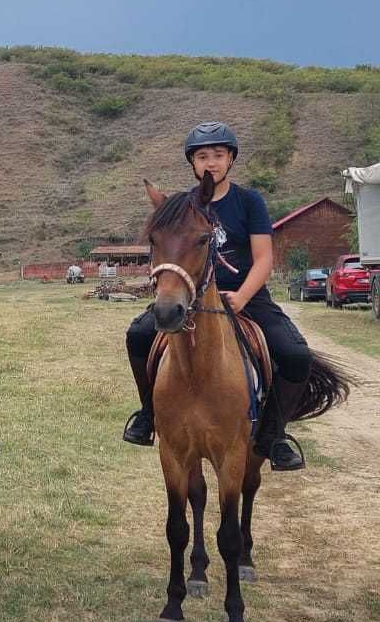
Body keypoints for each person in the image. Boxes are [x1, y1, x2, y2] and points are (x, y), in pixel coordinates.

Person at [122, 122, 311, 471]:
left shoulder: (249, 201)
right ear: (192, 164)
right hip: (190, 296)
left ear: (231, 160)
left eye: (219, 155)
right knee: (137, 335)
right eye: (203, 156)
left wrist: (240, 296)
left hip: (246, 296)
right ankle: (148, 415)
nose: (211, 162)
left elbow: (264, 258)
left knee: (296, 355)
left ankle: (274, 435)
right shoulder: (181, 206)